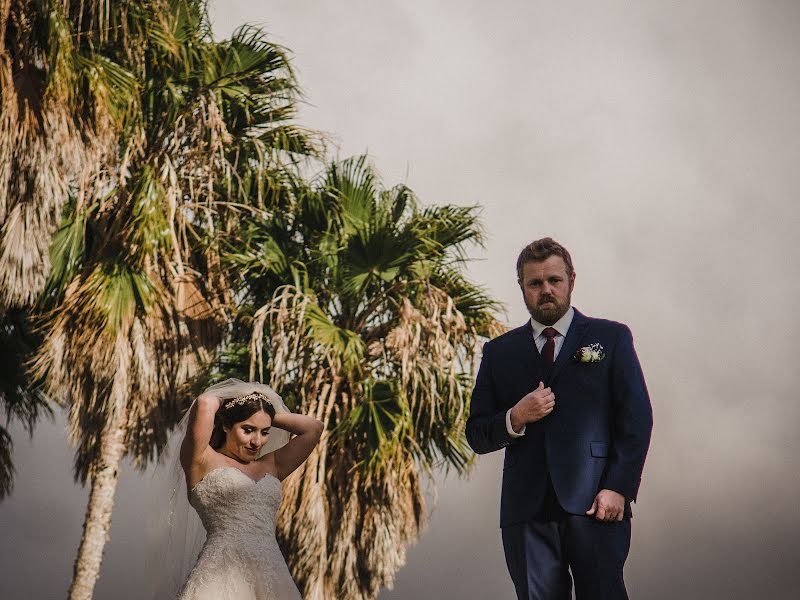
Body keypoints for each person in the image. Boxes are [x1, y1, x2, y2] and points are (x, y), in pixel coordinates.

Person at [465, 237, 652, 600]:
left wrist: (619, 486)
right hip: (526, 511)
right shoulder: (499, 352)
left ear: (571, 281)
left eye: (554, 280)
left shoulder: (610, 337)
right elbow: (477, 433)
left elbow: (637, 419)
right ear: (522, 287)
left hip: (596, 503)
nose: (546, 290)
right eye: (535, 283)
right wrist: (516, 416)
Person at [175, 378, 323, 600]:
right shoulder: (201, 459)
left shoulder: (271, 465)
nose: (257, 441)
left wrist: (267, 411)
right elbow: (205, 402)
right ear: (225, 426)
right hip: (220, 573)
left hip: (272, 571)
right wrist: (241, 403)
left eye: (265, 432)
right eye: (248, 429)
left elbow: (314, 428)